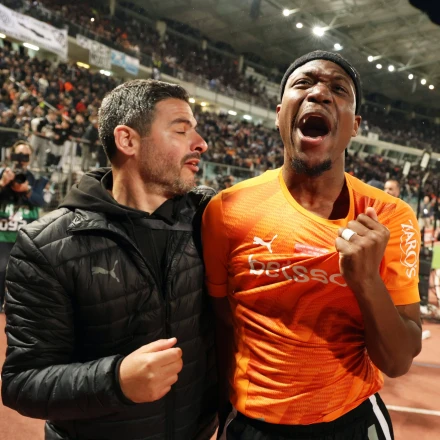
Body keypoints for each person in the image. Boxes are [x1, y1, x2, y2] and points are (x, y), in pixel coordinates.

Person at [202, 51, 422, 440]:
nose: (319, 93)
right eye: (303, 83)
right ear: (278, 114)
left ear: (355, 126)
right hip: (252, 423)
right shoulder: (227, 210)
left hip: (352, 421)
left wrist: (367, 281)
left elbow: (398, 360)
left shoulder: (391, 216)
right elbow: (223, 324)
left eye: (338, 89)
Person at [2, 79, 218, 440]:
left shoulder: (209, 220)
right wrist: (115, 381)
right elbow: (22, 383)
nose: (201, 143)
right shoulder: (47, 245)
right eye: (182, 130)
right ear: (127, 140)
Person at [0, 140, 46, 312]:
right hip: (3, 234)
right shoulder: (2, 174)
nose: (21, 160)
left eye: (25, 156)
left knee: (24, 275)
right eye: (18, 155)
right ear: (11, 155)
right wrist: (2, 183)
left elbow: (41, 201)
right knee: (1, 272)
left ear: (30, 158)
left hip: (25, 235)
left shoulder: (35, 179)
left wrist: (27, 190)